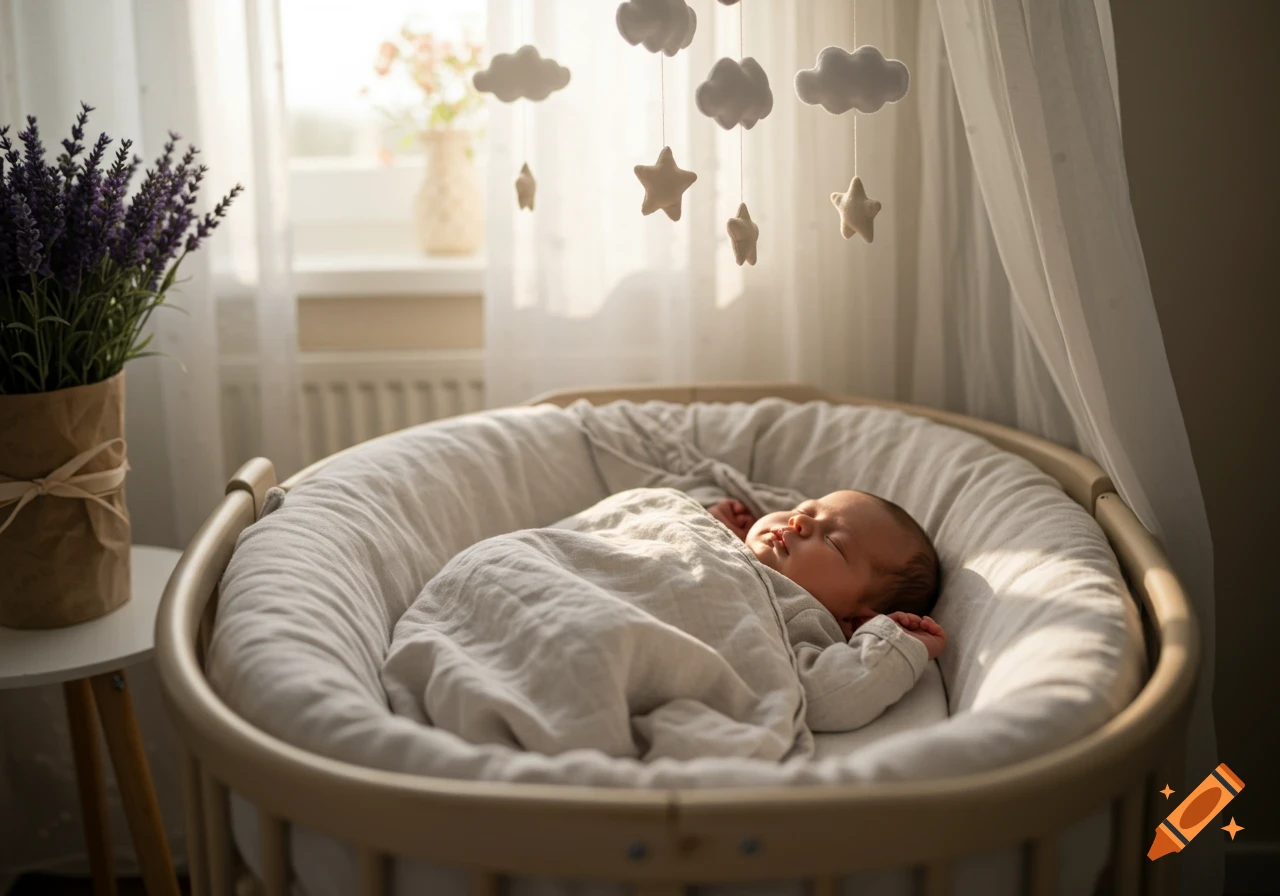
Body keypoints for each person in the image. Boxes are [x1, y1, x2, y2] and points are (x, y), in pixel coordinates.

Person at [706, 490, 947, 731]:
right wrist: (711, 525)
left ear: (857, 622)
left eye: (833, 543)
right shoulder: (724, 537)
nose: (799, 521)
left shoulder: (802, 617)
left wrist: (893, 644)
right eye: (803, 510)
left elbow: (832, 694)